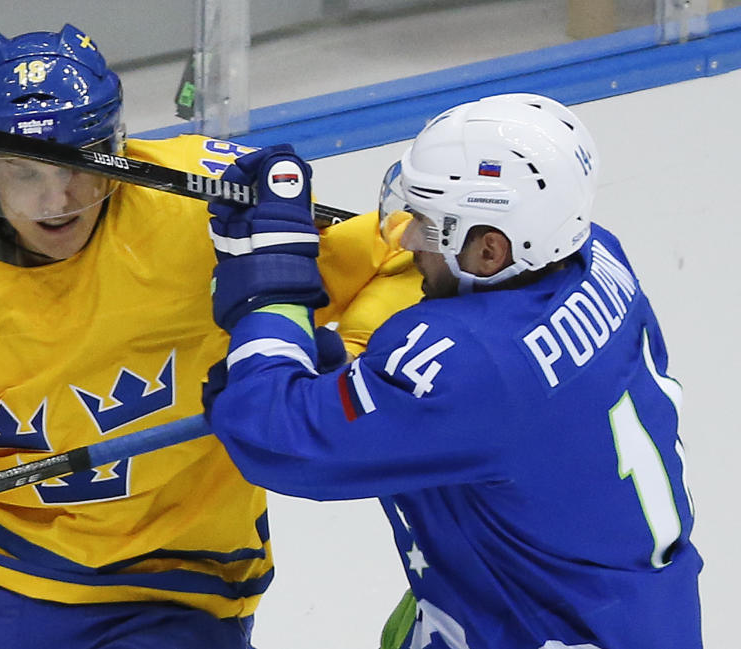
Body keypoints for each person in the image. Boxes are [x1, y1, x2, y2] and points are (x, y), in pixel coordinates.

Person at [0, 24, 419, 649]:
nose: (57, 199)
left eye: (77, 167)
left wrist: (352, 362)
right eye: (24, 173)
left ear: (113, 148)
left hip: (165, 588)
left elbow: (402, 252)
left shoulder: (203, 208)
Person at [202, 93, 704, 648]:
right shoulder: (597, 254)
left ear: (491, 251)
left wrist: (269, 293)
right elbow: (488, 403)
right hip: (626, 610)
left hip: (543, 629)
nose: (408, 239)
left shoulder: (473, 364)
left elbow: (277, 436)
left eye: (429, 223)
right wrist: (362, 384)